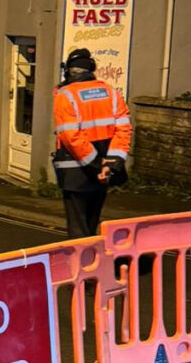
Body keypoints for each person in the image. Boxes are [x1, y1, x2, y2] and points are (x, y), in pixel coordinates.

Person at [52, 48, 132, 238]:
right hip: (106, 171)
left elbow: (71, 137)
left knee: (78, 227)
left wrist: (96, 163)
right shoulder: (110, 92)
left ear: (69, 71)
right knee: (92, 220)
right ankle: (95, 263)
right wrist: (111, 163)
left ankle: (81, 265)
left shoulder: (66, 95)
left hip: (76, 170)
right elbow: (123, 129)